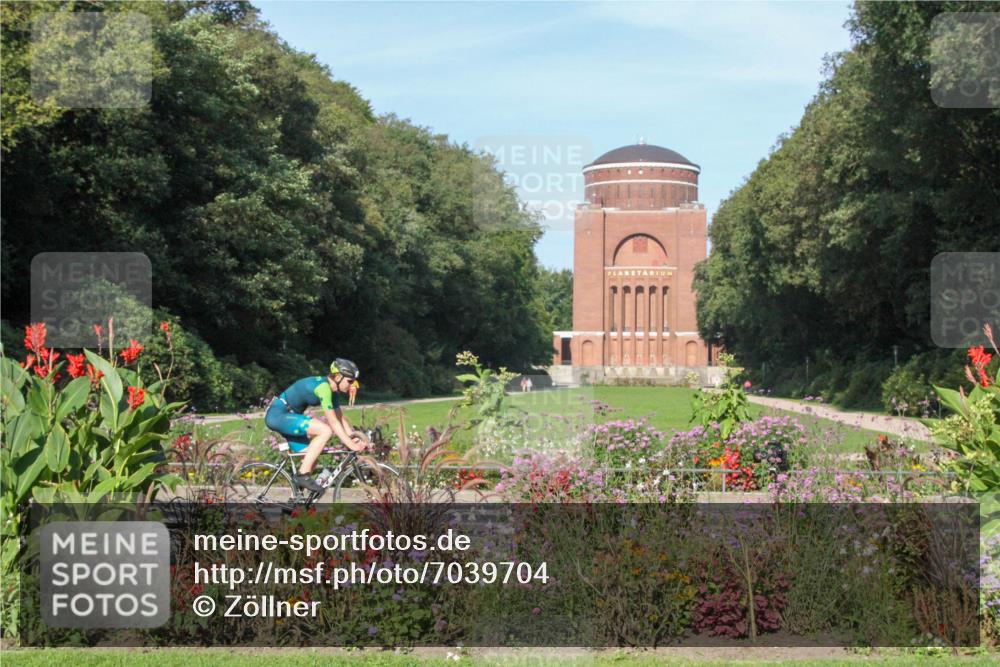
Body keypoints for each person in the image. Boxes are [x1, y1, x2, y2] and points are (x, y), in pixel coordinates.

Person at [264, 358, 368, 493]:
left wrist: (353, 437)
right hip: (278, 415)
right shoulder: (324, 388)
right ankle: (302, 476)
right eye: (349, 381)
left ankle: (294, 503)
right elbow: (333, 422)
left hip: (289, 417)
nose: (352, 385)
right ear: (337, 376)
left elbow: (340, 418)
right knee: (325, 430)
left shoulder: (333, 390)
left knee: (311, 461)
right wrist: (351, 444)